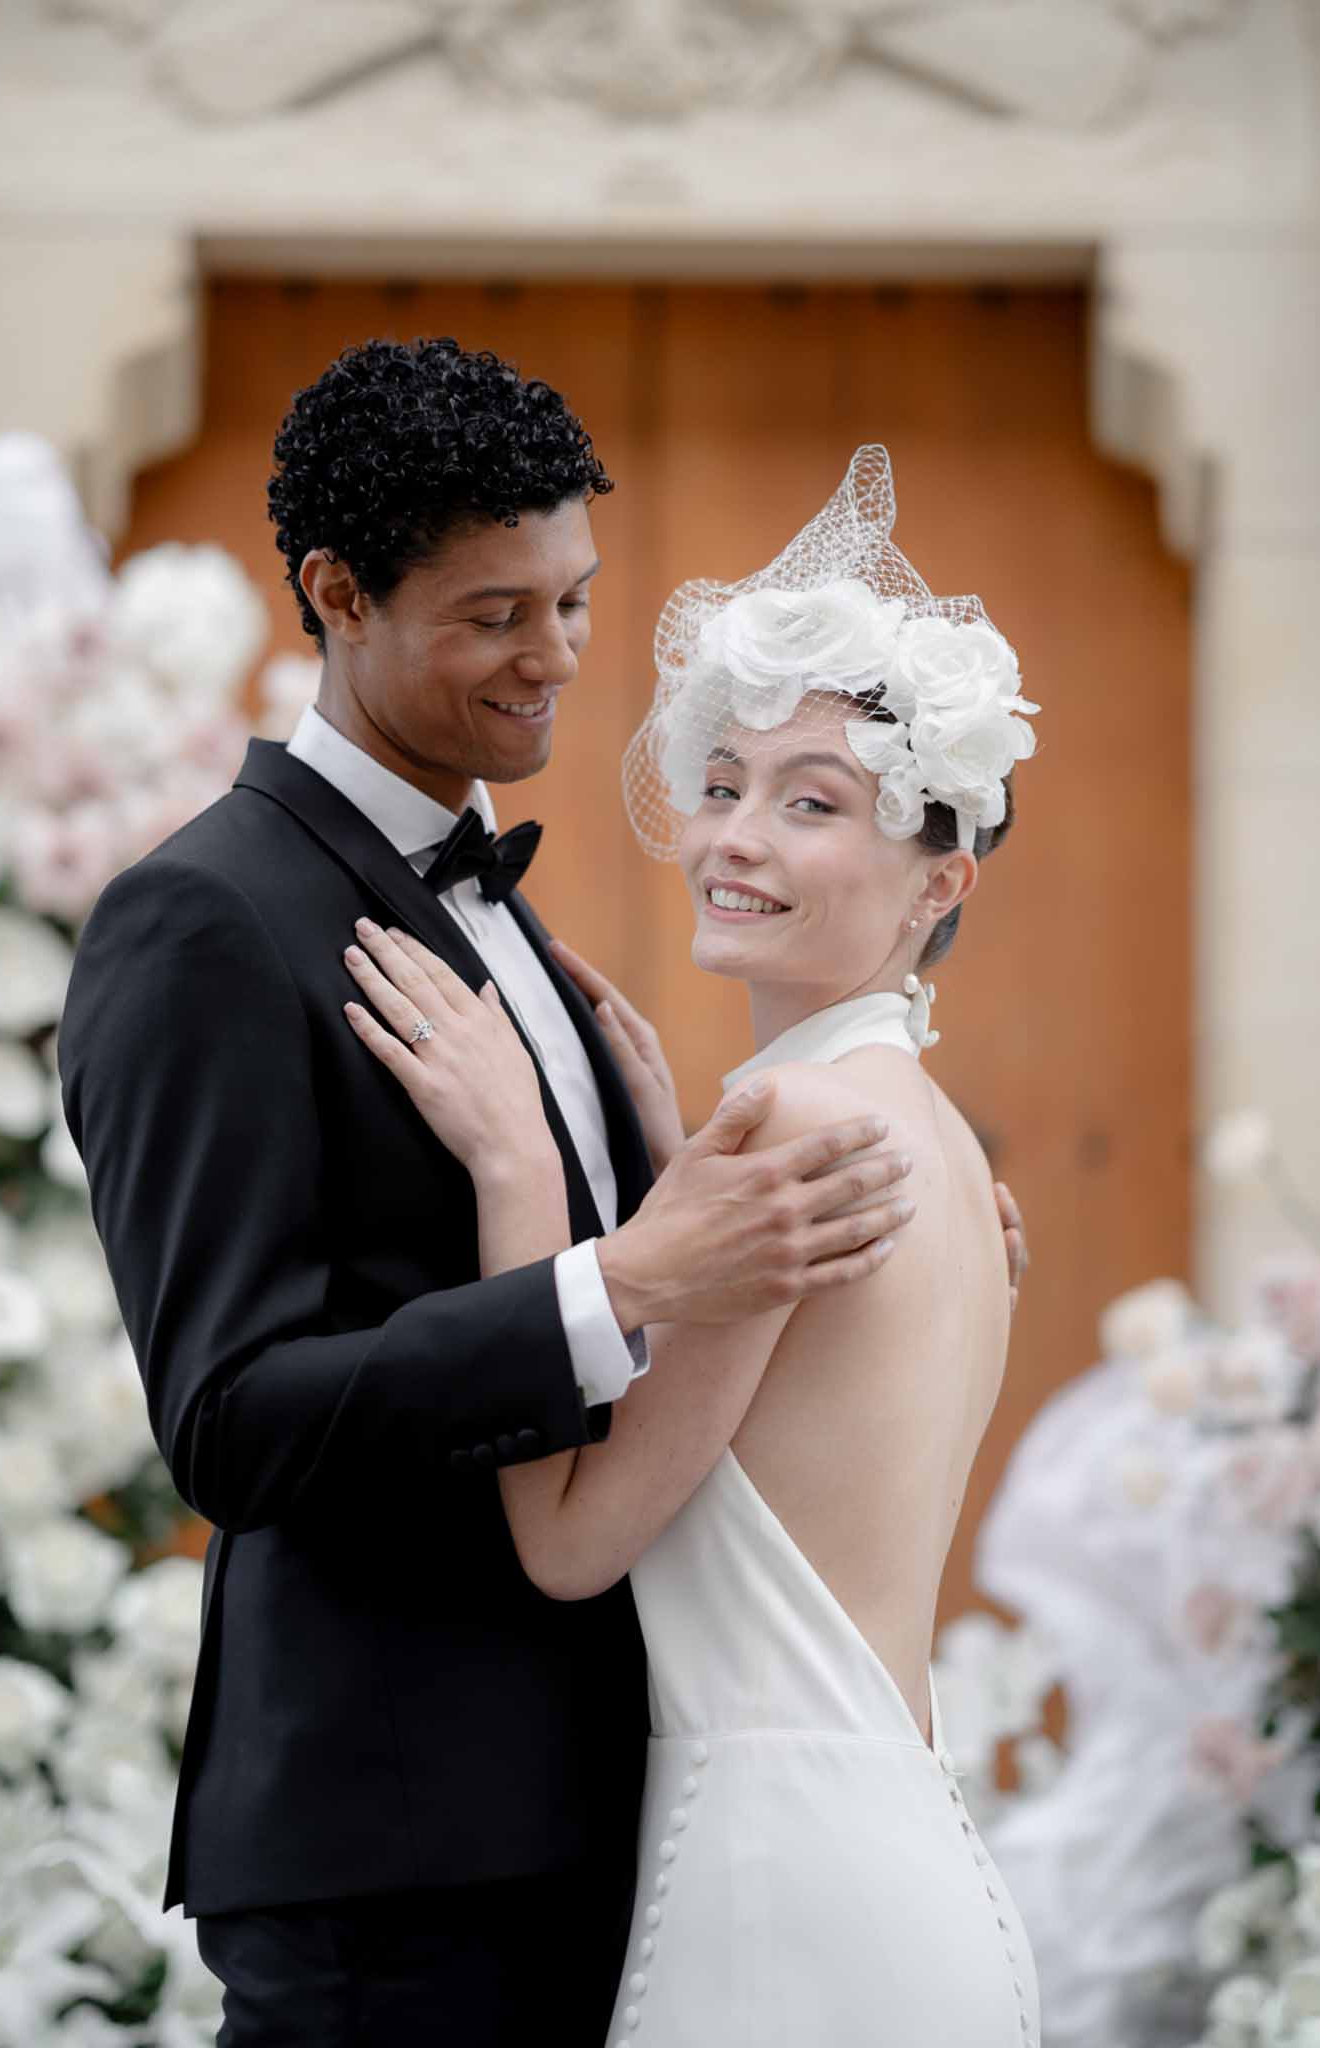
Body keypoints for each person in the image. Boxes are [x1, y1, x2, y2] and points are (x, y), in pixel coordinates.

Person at [58, 345, 990, 2047]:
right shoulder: (202, 923)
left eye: (571, 601)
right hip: (398, 1864)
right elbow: (232, 1423)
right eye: (497, 614)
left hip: (626, 1839)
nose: (558, 659)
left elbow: (680, 1304)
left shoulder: (522, 935)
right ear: (336, 595)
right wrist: (614, 1281)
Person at [341, 445, 1042, 2045]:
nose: (733, 834)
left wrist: (520, 1165)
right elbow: (795, 1438)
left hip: (780, 1891)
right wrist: (669, 1166)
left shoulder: (798, 1134)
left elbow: (572, 1543)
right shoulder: (913, 1131)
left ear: (942, 880)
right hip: (891, 1867)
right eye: (722, 783)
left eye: (812, 805)